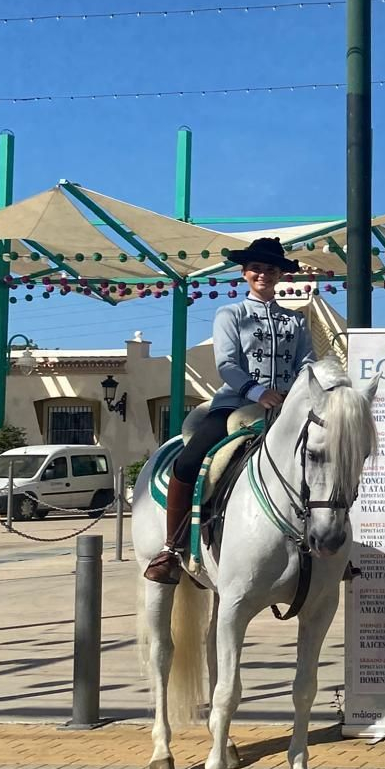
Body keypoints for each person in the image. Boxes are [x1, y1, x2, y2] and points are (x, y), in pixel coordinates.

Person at [144, 237, 314, 585]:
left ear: (281, 275)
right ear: (244, 272)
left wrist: (295, 394)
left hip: (286, 408)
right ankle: (172, 547)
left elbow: (307, 364)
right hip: (236, 403)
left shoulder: (296, 322)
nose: (263, 274)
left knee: (324, 458)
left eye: (270, 269)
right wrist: (257, 392)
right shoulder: (230, 314)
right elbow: (227, 364)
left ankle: (328, 548)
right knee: (189, 461)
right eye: (256, 268)